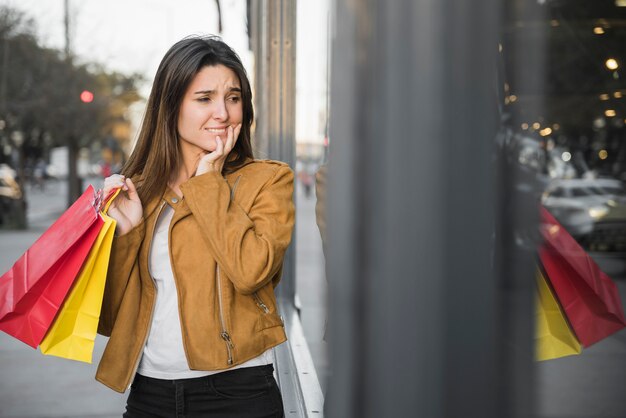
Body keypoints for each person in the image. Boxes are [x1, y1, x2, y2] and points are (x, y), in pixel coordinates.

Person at [99, 36, 294, 418]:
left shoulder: (268, 181)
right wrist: (127, 233)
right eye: (204, 99)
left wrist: (207, 183)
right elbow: (110, 315)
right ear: (170, 107)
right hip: (149, 394)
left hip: (238, 393)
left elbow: (250, 271)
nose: (222, 112)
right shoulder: (139, 192)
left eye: (233, 98)